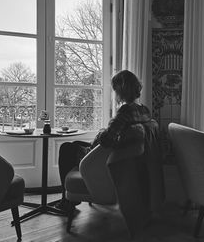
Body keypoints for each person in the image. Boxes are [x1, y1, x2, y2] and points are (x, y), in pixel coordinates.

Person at [55, 70, 151, 212]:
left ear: (121, 89)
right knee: (74, 145)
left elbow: (107, 141)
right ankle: (67, 200)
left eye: (115, 89)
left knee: (66, 149)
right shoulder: (144, 110)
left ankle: (68, 201)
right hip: (125, 157)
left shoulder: (125, 111)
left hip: (105, 159)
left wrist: (102, 132)